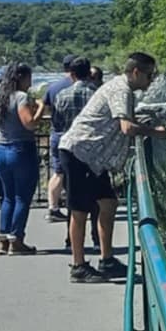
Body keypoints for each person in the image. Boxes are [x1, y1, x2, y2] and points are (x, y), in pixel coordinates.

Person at [59, 52, 166, 283]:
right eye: (150, 75)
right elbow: (126, 127)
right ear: (136, 72)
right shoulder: (122, 90)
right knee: (79, 211)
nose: (152, 80)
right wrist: (154, 133)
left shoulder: (121, 88)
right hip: (81, 153)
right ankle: (78, 266)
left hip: (94, 159)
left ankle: (107, 259)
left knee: (108, 203)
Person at [0, 62, 47, 254]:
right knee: (22, 197)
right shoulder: (20, 97)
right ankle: (17, 239)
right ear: (21, 77)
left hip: (1, 148)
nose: (30, 82)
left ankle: (3, 239)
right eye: (29, 78)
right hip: (21, 149)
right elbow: (29, 124)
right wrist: (40, 108)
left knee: (8, 197)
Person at [51, 56, 101, 248]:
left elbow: (57, 124)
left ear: (71, 74)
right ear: (89, 73)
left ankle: (71, 239)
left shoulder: (62, 95)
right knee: (96, 196)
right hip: (94, 150)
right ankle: (97, 238)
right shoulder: (97, 94)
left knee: (73, 197)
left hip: (70, 150)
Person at [42, 57, 76, 222]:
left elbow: (48, 109)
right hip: (74, 135)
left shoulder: (53, 87)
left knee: (58, 172)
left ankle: (53, 207)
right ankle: (78, 206)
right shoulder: (77, 85)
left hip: (56, 133)